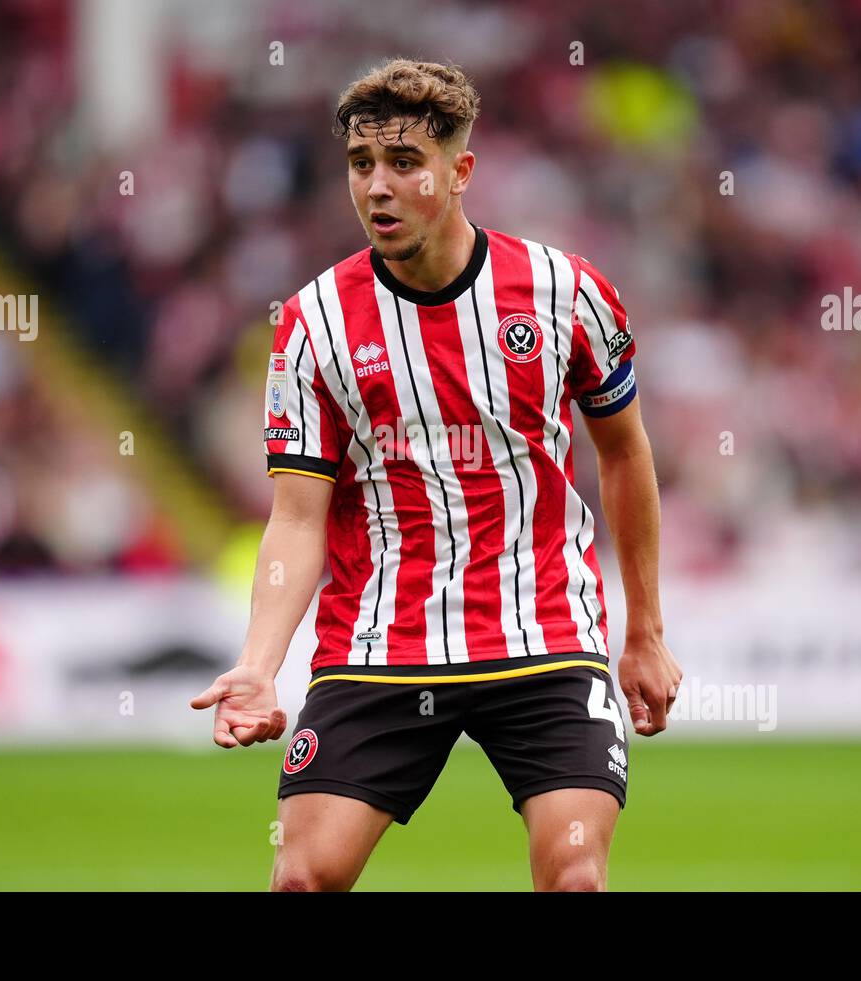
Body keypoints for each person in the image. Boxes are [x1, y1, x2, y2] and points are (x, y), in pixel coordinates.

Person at [191, 58, 681, 891]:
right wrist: (261, 660)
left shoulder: (566, 294)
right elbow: (298, 517)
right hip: (381, 640)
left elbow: (626, 453)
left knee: (575, 878)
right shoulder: (314, 324)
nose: (377, 188)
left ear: (460, 173)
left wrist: (645, 630)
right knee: (300, 879)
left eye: (404, 164)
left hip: (543, 634)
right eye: (360, 165)